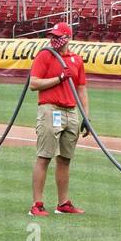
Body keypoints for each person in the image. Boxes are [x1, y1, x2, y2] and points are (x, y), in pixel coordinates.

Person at [27, 22, 90, 217]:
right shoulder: (44, 56)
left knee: (65, 159)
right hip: (50, 109)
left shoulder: (76, 60)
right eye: (52, 36)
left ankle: (63, 203)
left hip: (70, 112)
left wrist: (86, 116)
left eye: (58, 36)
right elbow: (33, 84)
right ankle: (37, 204)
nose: (54, 40)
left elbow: (81, 89)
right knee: (44, 156)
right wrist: (59, 78)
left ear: (67, 37)